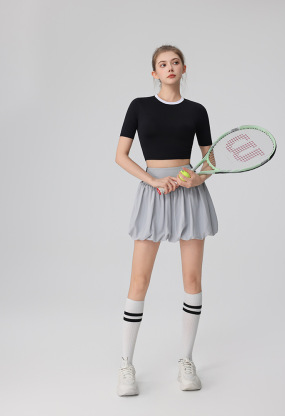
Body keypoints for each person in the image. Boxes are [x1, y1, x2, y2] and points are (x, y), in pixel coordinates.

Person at [115, 44, 218, 396]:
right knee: (139, 281)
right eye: (162, 64)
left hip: (189, 194)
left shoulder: (197, 111)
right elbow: (121, 156)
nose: (169, 67)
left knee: (192, 279)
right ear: (154, 72)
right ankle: (126, 365)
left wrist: (197, 178)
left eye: (175, 62)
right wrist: (153, 181)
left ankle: (187, 361)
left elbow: (209, 161)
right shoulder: (139, 106)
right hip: (153, 193)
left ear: (184, 68)